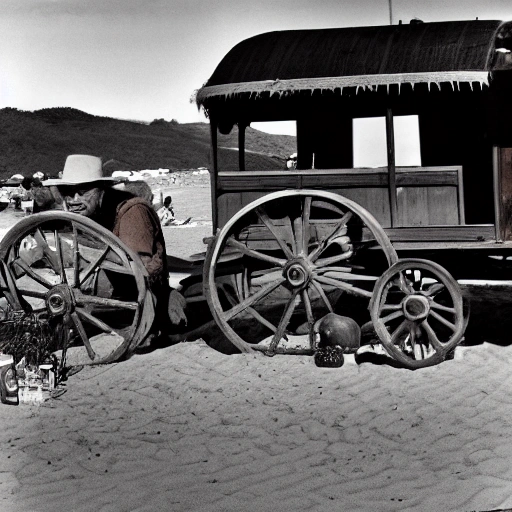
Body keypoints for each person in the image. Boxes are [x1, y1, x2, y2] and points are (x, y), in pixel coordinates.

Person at [42, 154, 187, 346]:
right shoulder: (89, 215)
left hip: (140, 302)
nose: (74, 199)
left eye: (83, 191)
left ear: (101, 189)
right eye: (68, 193)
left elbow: (143, 272)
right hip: (104, 301)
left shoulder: (132, 213)